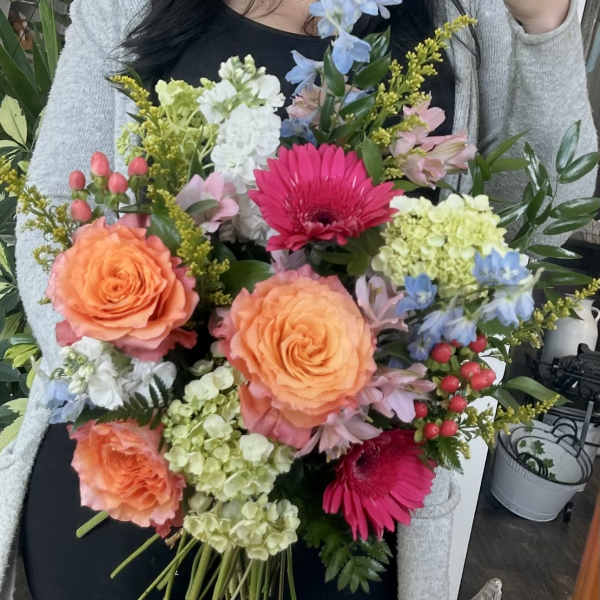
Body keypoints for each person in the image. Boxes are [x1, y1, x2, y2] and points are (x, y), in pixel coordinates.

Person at [0, 0, 596, 598]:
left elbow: (537, 223)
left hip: (341, 499)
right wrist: (164, 405)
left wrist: (542, 24)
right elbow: (50, 217)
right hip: (132, 474)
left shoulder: (469, 16)